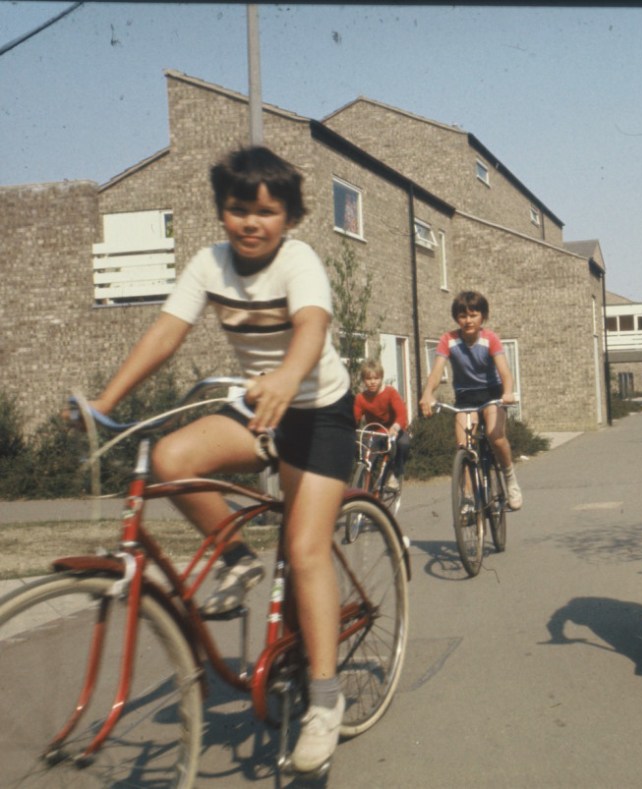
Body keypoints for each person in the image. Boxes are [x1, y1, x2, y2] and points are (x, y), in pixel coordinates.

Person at [85, 145, 351, 774]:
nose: (251, 224)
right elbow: (166, 333)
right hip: (260, 406)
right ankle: (236, 560)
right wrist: (104, 403)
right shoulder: (208, 264)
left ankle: (324, 701)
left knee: (307, 546)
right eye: (238, 210)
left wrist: (289, 375)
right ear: (222, 212)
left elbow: (311, 325)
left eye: (266, 212)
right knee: (169, 458)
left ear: (288, 217)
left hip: (319, 411)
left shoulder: (299, 260)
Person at [418, 290, 523, 510]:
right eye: (463, 316)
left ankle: (510, 478)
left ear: (482, 316)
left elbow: (505, 372)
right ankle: (467, 496)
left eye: (473, 315)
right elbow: (437, 372)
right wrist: (428, 394)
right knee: (464, 446)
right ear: (457, 318)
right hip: (466, 397)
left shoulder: (490, 339)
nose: (468, 320)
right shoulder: (448, 340)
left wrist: (508, 392)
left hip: (492, 393)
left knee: (496, 437)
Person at [353, 358, 411, 493]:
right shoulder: (361, 398)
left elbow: (401, 413)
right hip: (375, 432)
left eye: (376, 378)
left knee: (404, 443)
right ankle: (365, 489)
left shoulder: (390, 393)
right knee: (365, 458)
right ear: (363, 380)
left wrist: (396, 427)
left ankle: (396, 473)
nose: (372, 382)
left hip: (393, 430)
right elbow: (354, 418)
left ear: (381, 378)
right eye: (368, 379)